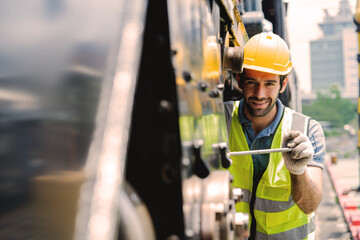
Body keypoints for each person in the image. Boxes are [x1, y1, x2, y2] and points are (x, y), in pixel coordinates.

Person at [224, 32, 325, 239]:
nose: (260, 94)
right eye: (252, 82)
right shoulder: (220, 119)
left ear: (283, 84)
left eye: (269, 83)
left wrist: (298, 171)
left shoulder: (307, 129)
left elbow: (309, 205)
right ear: (239, 80)